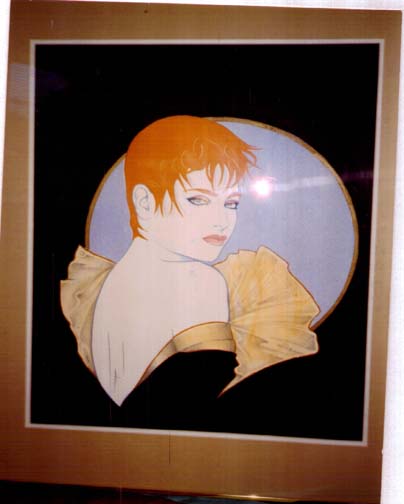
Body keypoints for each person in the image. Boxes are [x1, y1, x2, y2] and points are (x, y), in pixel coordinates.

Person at [61, 116, 319, 409]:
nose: (222, 220)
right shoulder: (201, 281)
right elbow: (192, 406)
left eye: (231, 203)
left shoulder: (104, 282)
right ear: (144, 203)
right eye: (198, 199)